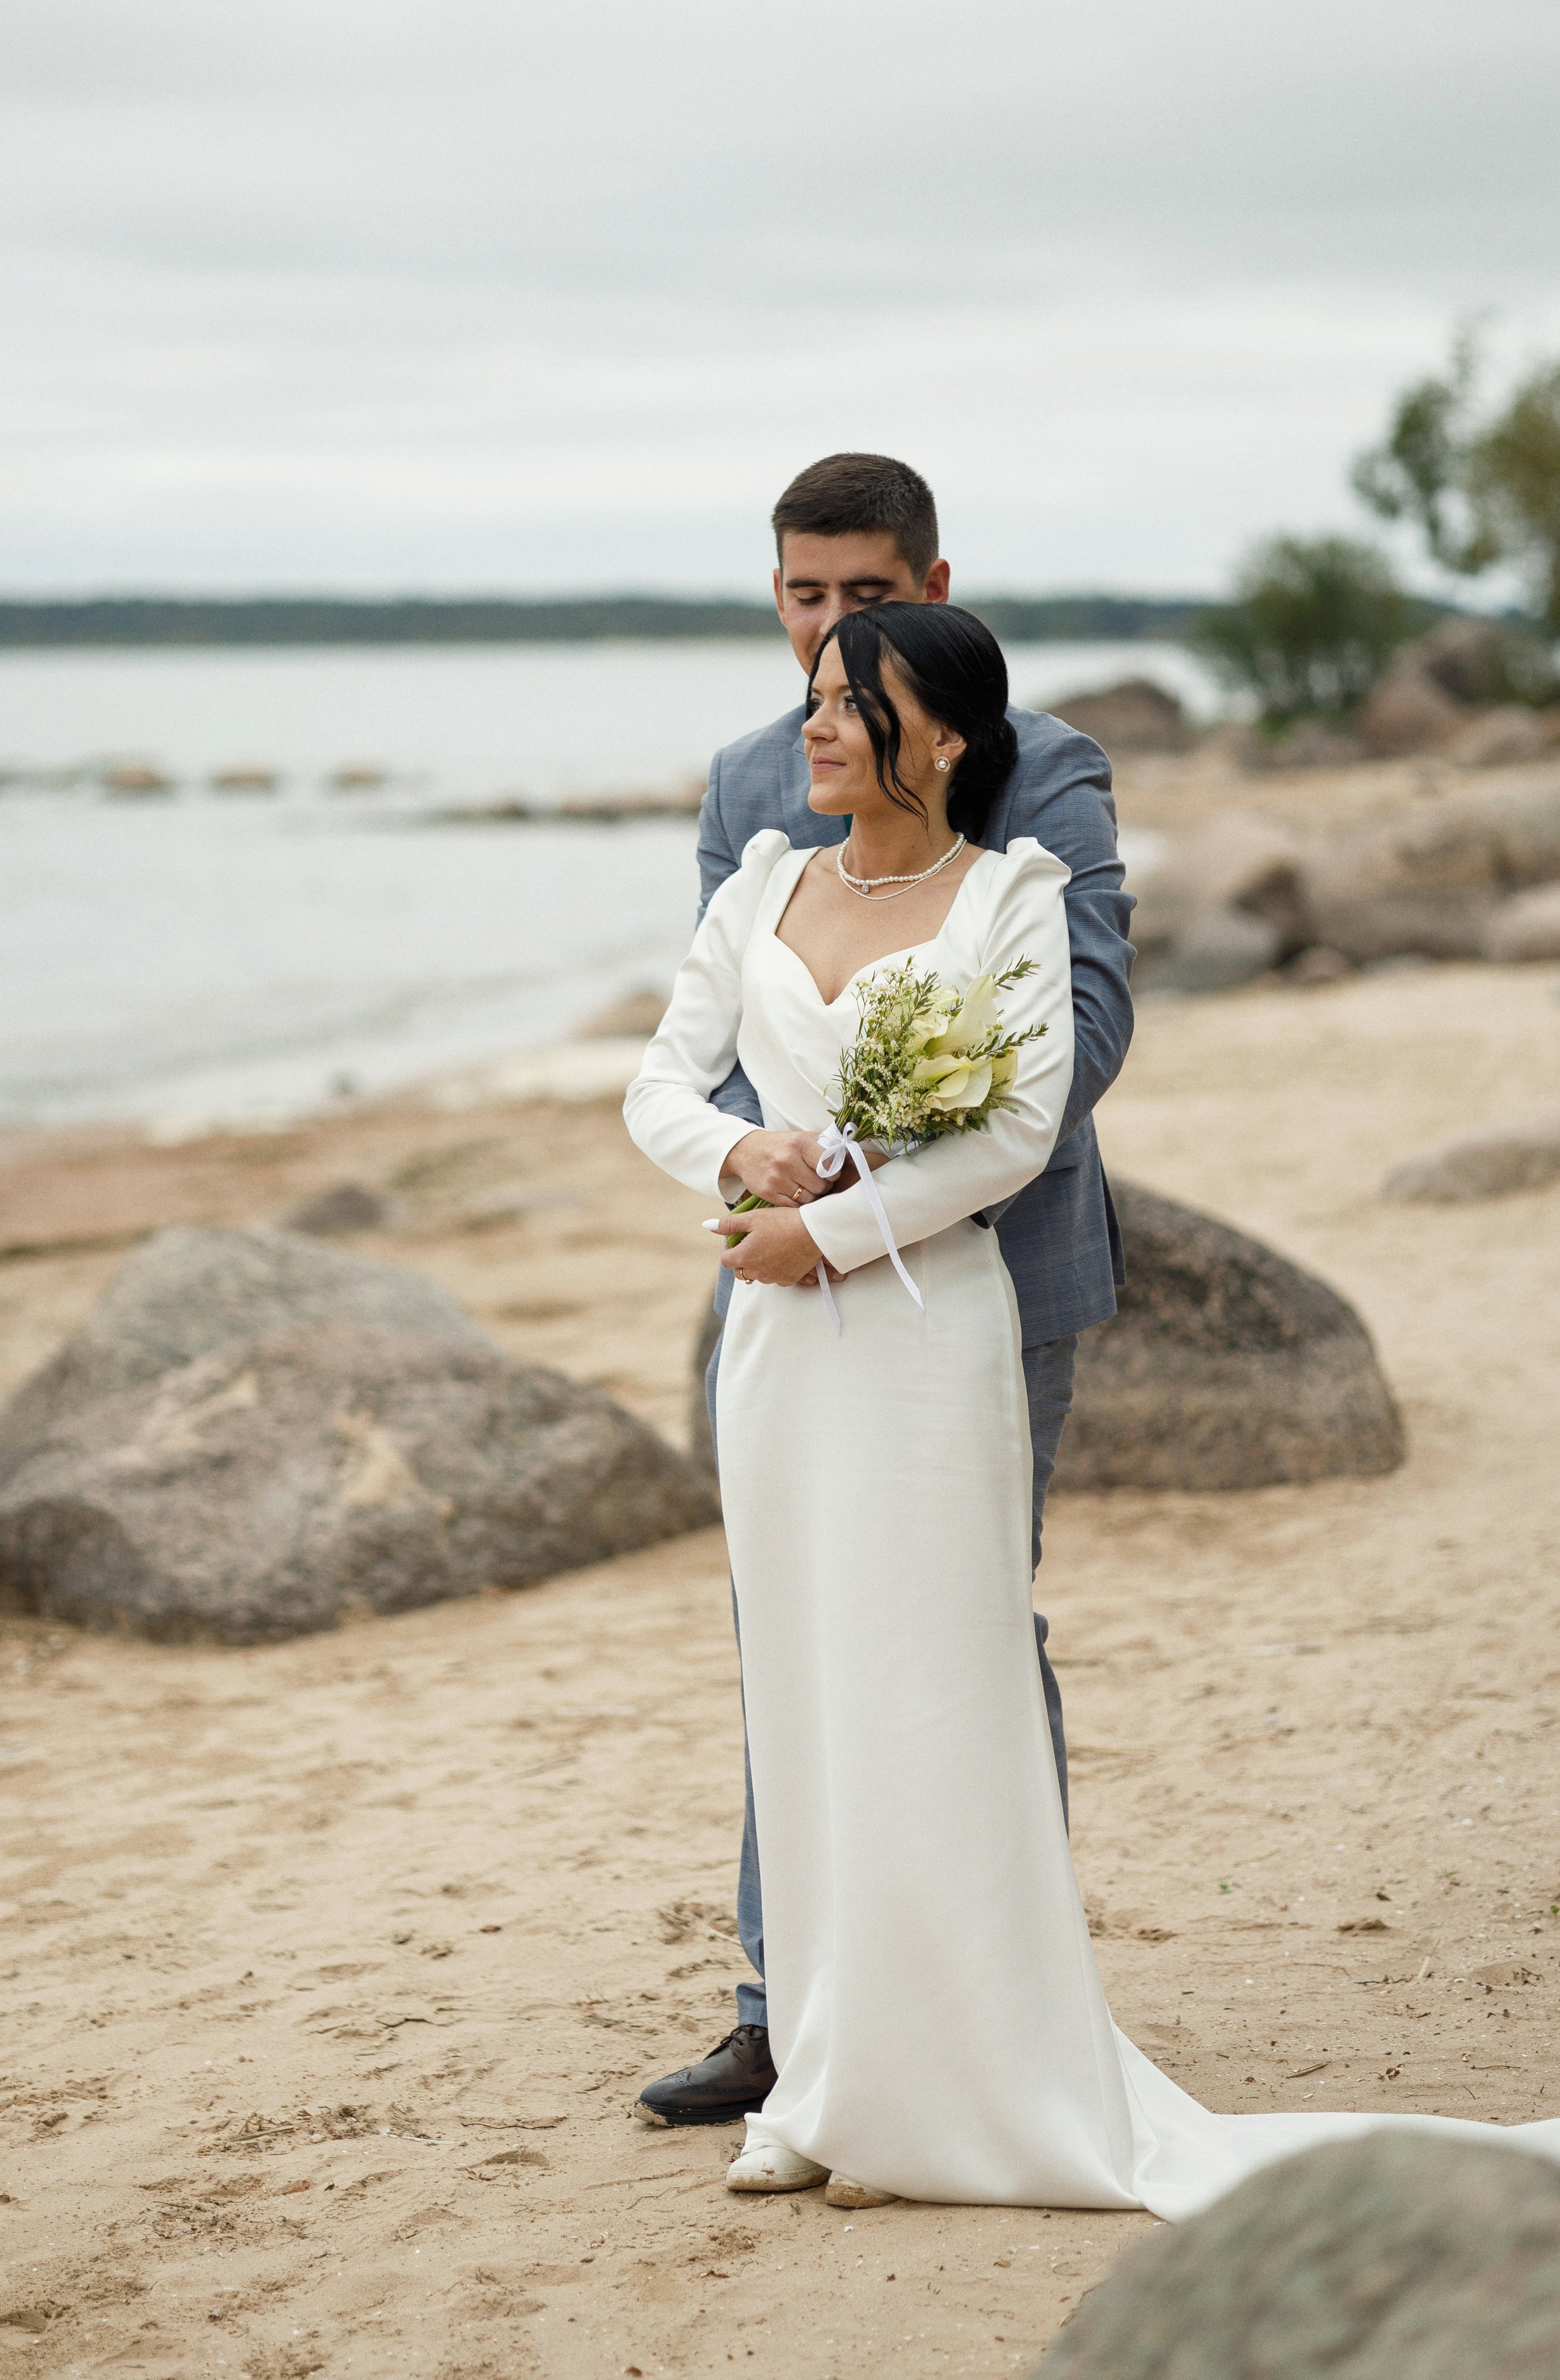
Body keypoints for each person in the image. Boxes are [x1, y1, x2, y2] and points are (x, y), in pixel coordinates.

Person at [624, 601, 1560, 2213]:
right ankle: (824, 2074)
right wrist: (735, 1157)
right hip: (777, 1354)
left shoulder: (1011, 896)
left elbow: (1015, 1133)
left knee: (935, 1681)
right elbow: (656, 1079)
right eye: (815, 702)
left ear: (945, 740)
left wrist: (829, 1230)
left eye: (851, 704)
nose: (814, 727)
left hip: (920, 1342)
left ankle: (978, 2067)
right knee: (798, 1681)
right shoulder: (766, 883)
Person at [635, 454, 1135, 2133]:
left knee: (971, 1625)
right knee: (791, 1629)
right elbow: (714, 1048)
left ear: (931, 578)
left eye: (867, 594)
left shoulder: (1041, 770)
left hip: (989, 1276)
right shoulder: (746, 787)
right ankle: (787, 2006)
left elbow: (1082, 1030)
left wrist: (872, 1197)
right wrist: (747, 1175)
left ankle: (1001, 1991)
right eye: (805, 595)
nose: (831, 629)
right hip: (777, 1303)